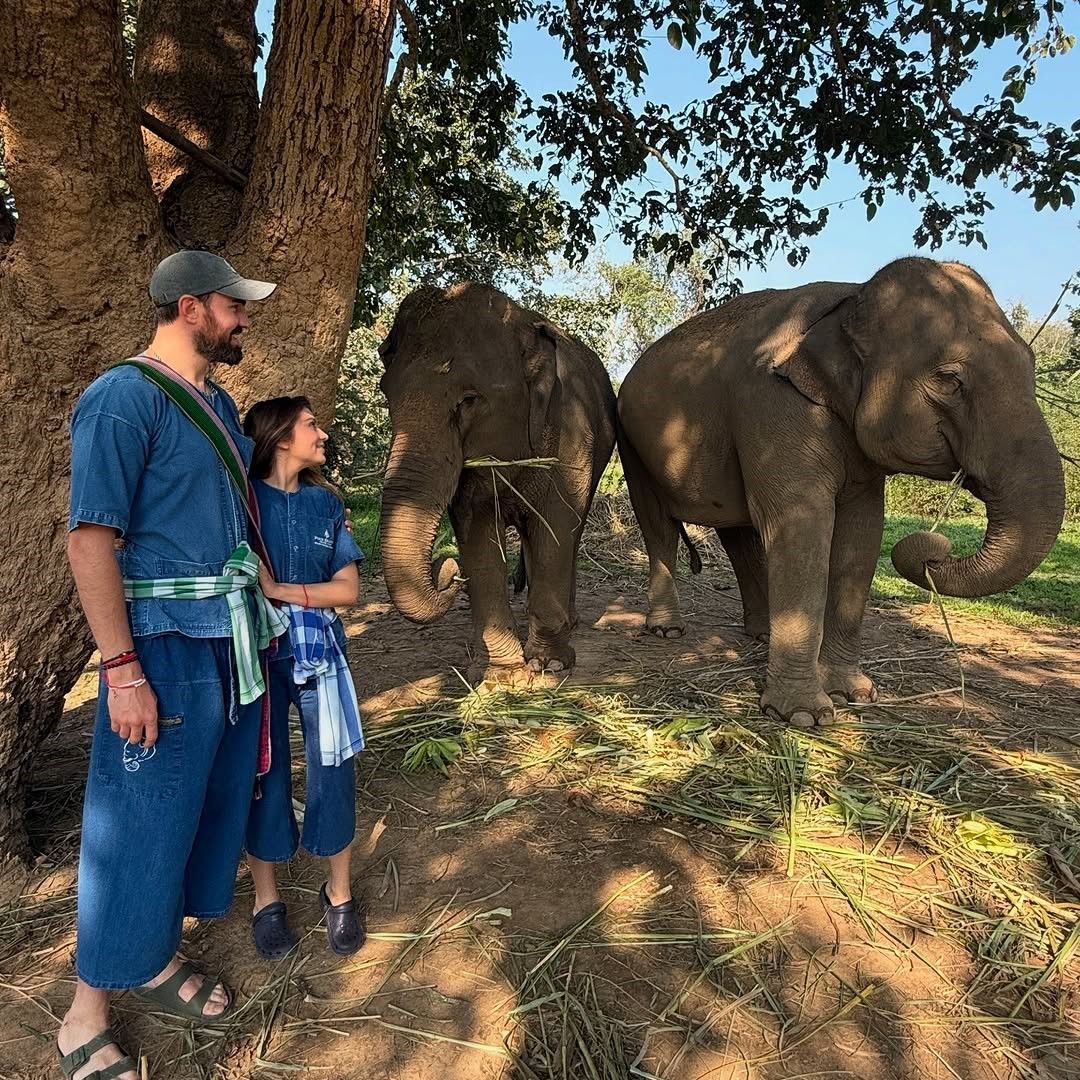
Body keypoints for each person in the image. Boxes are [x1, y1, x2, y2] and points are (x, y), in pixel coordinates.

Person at [61, 250, 280, 1080]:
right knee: (140, 816)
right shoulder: (121, 400)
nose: (243, 319)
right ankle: (83, 1017)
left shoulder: (219, 406)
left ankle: (151, 960)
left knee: (200, 812)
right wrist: (120, 670)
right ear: (190, 307)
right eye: (233, 306)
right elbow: (91, 541)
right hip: (158, 647)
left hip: (229, 643)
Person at [242, 396, 366, 960]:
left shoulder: (325, 504)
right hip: (259, 658)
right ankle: (265, 902)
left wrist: (284, 591)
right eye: (312, 424)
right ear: (280, 438)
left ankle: (338, 893)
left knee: (334, 767)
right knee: (262, 772)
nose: (322, 433)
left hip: (322, 656)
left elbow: (349, 590)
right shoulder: (242, 504)